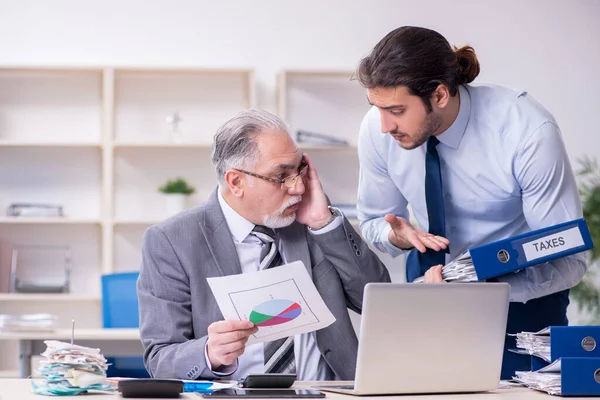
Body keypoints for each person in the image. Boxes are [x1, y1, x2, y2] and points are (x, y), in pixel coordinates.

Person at [354, 26, 586, 378]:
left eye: (397, 110)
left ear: (441, 95)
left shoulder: (526, 132)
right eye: (377, 107)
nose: (385, 125)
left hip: (522, 307)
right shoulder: (377, 128)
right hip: (426, 296)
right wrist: (396, 237)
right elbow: (372, 222)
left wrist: (486, 290)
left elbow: (570, 256)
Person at [137, 109, 390, 381]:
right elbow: (160, 358)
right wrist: (209, 353)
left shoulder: (310, 224)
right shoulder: (171, 240)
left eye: (299, 171)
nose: (298, 188)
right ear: (236, 182)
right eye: (282, 176)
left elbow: (377, 302)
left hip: (326, 393)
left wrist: (324, 224)